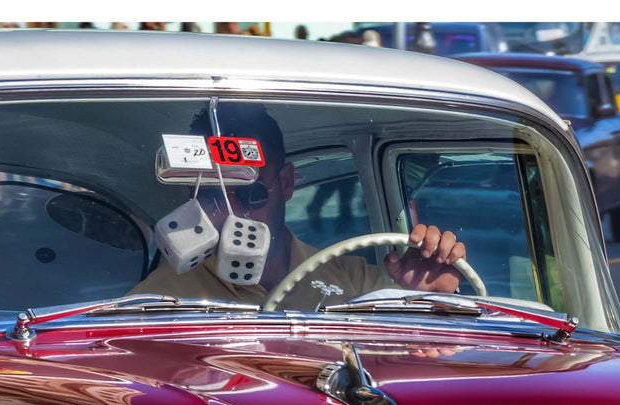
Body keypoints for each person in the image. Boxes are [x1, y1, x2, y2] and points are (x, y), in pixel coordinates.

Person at [133, 103, 466, 308]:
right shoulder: (157, 299)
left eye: (252, 196)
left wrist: (430, 298)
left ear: (287, 183)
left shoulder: (354, 281)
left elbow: (412, 367)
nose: (233, 217)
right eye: (213, 198)